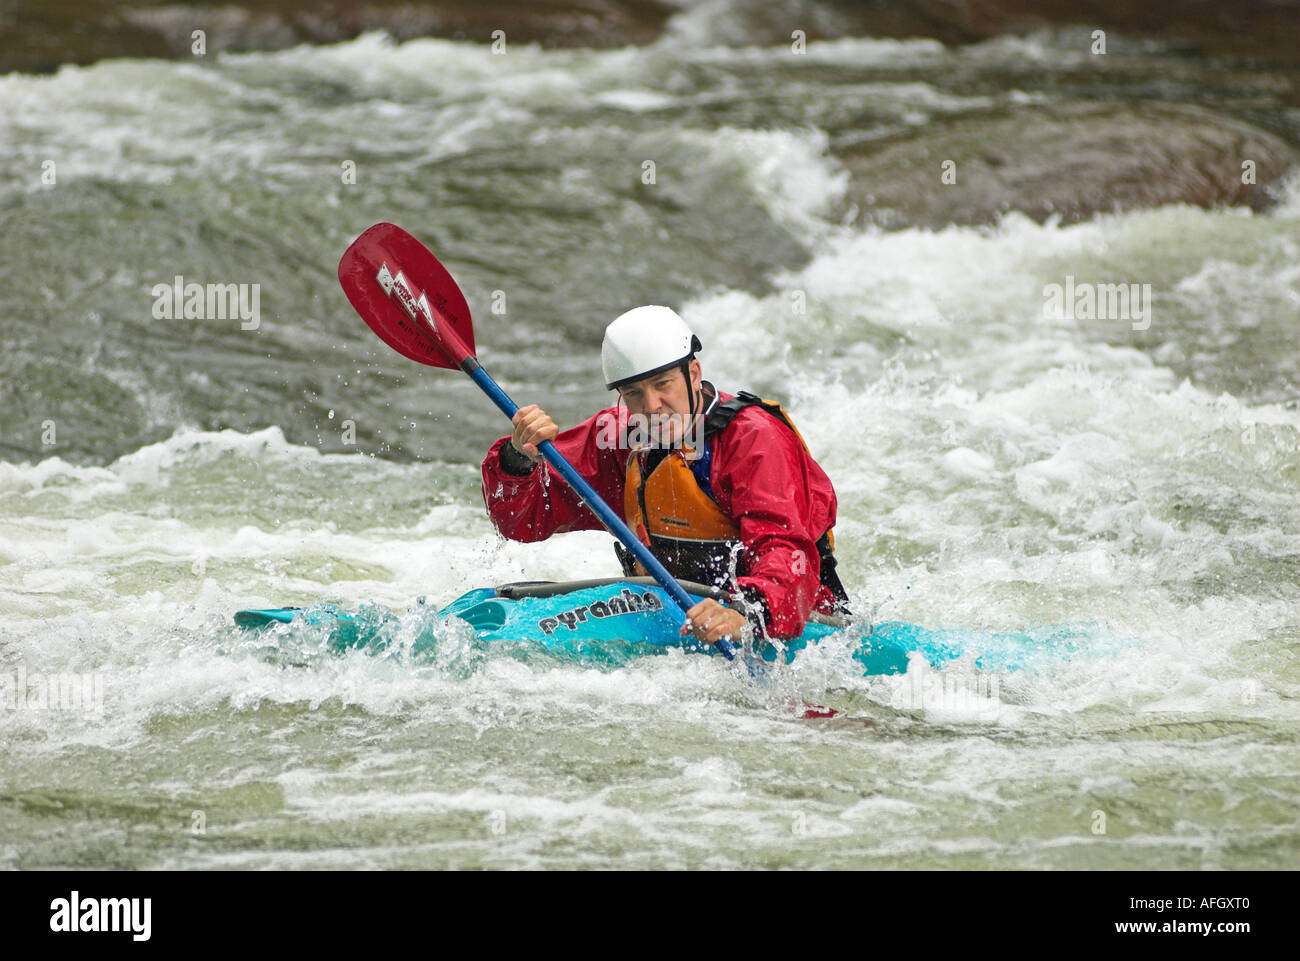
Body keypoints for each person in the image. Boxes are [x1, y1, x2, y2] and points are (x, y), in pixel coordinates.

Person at [480, 305, 848, 649]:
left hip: (788, 628)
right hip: (675, 619)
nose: (652, 406)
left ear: (693, 375)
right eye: (634, 393)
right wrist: (518, 459)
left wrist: (745, 614)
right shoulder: (618, 438)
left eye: (663, 384)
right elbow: (520, 520)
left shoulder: (755, 440)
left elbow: (786, 552)